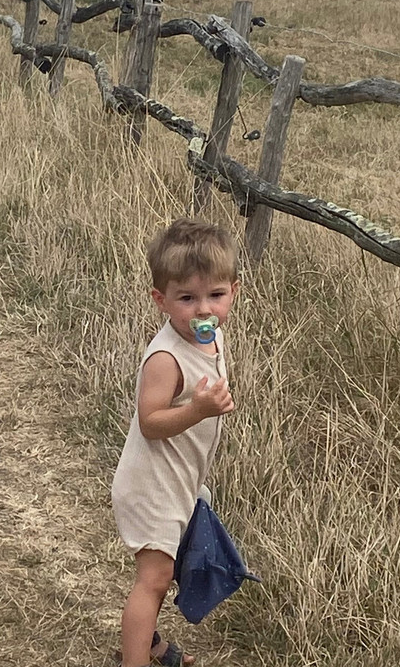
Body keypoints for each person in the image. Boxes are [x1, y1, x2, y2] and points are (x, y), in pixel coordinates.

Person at [111, 218, 240, 667]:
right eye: (187, 298)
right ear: (161, 300)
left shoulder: (211, 337)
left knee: (166, 572)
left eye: (215, 296)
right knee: (155, 577)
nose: (203, 310)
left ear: (234, 291)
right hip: (151, 484)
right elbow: (150, 422)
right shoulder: (165, 358)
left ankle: (150, 646)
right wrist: (196, 411)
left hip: (180, 480)